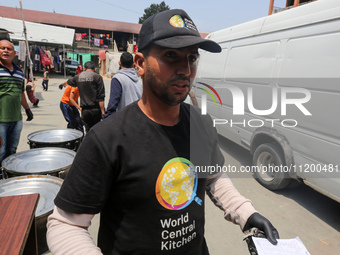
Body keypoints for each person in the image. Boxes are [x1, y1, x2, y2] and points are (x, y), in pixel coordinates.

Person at [47, 9, 278, 255]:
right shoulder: (107, 139)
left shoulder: (199, 124)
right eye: (170, 55)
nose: (186, 70)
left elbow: (213, 177)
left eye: (191, 58)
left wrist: (245, 212)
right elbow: (65, 224)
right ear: (140, 64)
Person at [0, 40, 33, 169]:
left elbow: (21, 93)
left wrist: (28, 109)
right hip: (1, 119)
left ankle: (8, 172)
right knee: (1, 150)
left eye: (9, 49)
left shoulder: (19, 71)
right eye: (2, 48)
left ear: (14, 53)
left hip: (16, 119)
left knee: (12, 149)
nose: (5, 51)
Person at [59, 61, 105, 132]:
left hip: (85, 111)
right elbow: (101, 97)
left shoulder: (78, 77)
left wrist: (62, 85)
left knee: (88, 131)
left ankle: (88, 142)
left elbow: (69, 82)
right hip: (96, 110)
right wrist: (103, 112)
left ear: (84, 68)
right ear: (95, 69)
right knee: (96, 131)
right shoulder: (98, 77)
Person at [104, 52, 142, 118]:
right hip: (137, 118)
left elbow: (113, 103)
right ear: (133, 64)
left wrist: (107, 119)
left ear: (119, 63)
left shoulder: (118, 78)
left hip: (124, 120)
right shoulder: (138, 80)